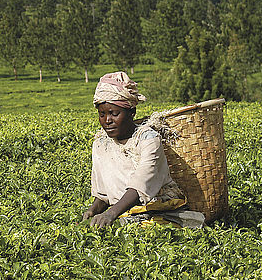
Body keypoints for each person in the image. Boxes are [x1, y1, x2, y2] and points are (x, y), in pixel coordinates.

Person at [81, 72, 205, 229]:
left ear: (131, 113)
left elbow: (140, 184)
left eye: (114, 113)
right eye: (102, 114)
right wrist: (93, 210)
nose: (107, 120)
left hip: (158, 210)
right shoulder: (101, 144)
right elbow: (104, 195)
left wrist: (111, 214)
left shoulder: (148, 139)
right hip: (120, 213)